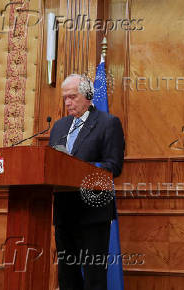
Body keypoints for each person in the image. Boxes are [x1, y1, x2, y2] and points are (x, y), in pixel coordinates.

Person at [49, 74, 125, 290]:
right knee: (67, 275)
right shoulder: (59, 126)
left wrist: (79, 171)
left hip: (93, 212)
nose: (67, 103)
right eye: (65, 98)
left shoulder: (108, 123)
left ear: (88, 95)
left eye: (72, 97)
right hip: (64, 211)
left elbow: (113, 166)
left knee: (94, 278)